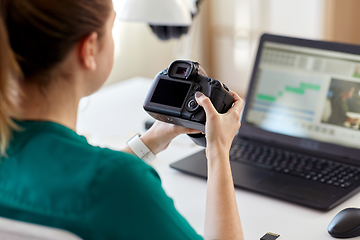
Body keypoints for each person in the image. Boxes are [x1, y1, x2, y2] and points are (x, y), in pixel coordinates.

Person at [0, 0, 244, 239]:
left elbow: (73, 184)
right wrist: (218, 149)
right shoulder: (118, 184)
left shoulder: (102, 181)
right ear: (89, 49)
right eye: (111, 28)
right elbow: (107, 186)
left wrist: (152, 140)